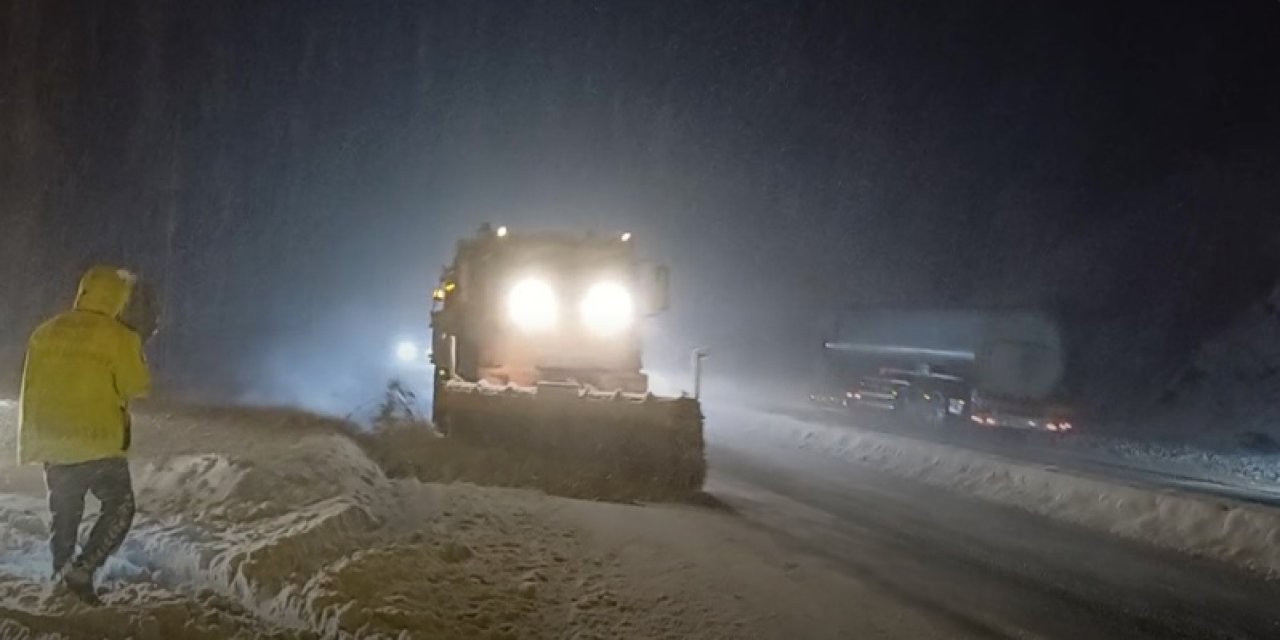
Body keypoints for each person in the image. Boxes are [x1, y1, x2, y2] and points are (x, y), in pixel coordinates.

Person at [18, 266, 154, 605]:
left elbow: (32, 386)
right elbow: (136, 385)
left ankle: (61, 573)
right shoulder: (119, 335)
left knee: (64, 513)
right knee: (120, 507)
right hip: (96, 441)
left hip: (51, 439)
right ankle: (82, 572)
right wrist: (137, 346)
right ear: (118, 298)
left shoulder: (45, 331)